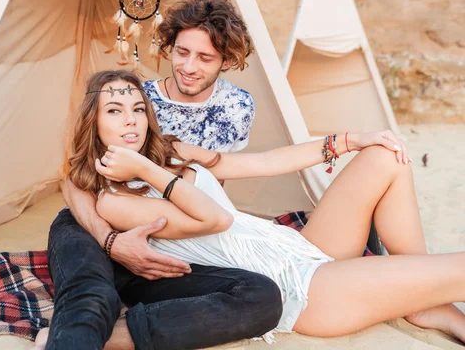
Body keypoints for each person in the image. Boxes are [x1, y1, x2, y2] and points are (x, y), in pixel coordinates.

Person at [63, 70, 465, 343]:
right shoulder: (114, 202)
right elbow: (214, 219)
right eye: (114, 111)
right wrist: (147, 171)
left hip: (295, 246)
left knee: (384, 155)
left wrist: (348, 141)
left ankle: (427, 302)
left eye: (137, 109)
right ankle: (425, 296)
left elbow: (263, 162)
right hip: (301, 289)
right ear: (93, 123)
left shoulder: (170, 151)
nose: (131, 121)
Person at [41, 0, 283, 350]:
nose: (188, 66)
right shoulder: (140, 96)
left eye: (204, 57)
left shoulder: (231, 110)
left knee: (260, 294)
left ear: (226, 61)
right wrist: (110, 239)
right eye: (182, 52)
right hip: (94, 221)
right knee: (91, 297)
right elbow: (75, 177)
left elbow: (247, 173)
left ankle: (113, 336)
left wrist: (342, 142)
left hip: (168, 234)